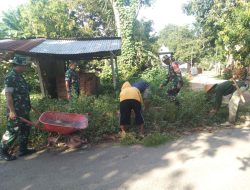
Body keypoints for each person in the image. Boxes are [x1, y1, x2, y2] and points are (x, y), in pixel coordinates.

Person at [0, 55, 36, 161]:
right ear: (18, 65)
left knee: (25, 129)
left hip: (23, 110)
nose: (25, 67)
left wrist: (29, 105)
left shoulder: (19, 76)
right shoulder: (11, 77)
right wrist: (11, 111)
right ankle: (2, 151)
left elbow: (21, 93)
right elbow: (8, 95)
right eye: (24, 65)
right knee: (12, 131)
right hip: (15, 111)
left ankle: (23, 150)